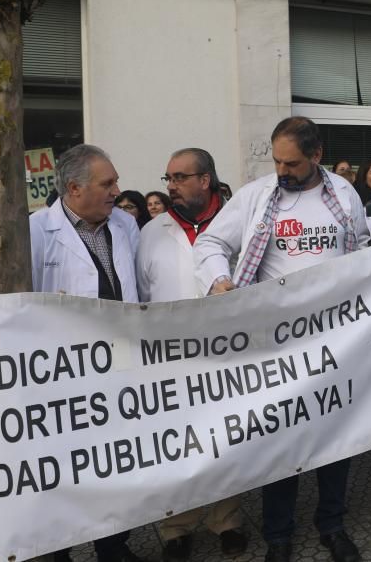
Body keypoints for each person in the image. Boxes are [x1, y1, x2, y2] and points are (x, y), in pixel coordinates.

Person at [194, 117, 368, 562]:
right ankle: (278, 536)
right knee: (280, 441)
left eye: (291, 163)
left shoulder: (345, 196)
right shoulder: (257, 197)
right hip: (276, 348)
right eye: (276, 161)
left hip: (335, 342)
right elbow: (211, 243)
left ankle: (332, 525)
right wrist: (218, 281)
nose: (282, 171)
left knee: (336, 439)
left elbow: (362, 249)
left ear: (316, 156)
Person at [29, 145, 142, 562]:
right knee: (65, 469)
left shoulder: (125, 225)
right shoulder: (37, 231)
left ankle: (113, 546)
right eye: (106, 183)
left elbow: (137, 293)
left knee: (115, 464)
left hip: (120, 366)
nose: (116, 190)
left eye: (115, 181)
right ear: (74, 189)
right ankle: (58, 550)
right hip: (62, 376)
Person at [136, 149, 248, 561]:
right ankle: (176, 525)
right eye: (167, 178)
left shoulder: (238, 226)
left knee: (224, 439)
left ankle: (228, 520)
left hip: (227, 357)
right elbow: (143, 299)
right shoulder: (152, 233)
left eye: (180, 178)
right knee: (177, 444)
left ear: (206, 180)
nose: (171, 187)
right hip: (170, 360)